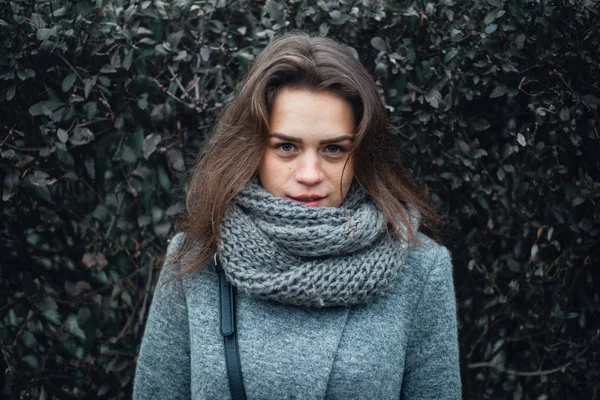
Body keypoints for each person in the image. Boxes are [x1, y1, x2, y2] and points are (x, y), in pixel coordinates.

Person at [133, 31, 461, 399]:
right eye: (286, 147)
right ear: (253, 149)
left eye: (334, 149)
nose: (309, 174)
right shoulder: (196, 260)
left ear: (360, 155)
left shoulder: (419, 269)